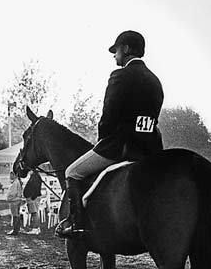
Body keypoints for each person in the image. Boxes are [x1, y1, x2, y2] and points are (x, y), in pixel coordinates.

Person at [57, 30, 164, 237]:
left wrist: (102, 140)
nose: (115, 55)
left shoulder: (120, 75)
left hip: (120, 146)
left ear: (125, 49)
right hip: (150, 147)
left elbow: (109, 115)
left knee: (72, 172)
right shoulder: (155, 80)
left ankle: (78, 224)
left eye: (116, 51)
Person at [23, 170, 43, 234]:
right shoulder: (35, 177)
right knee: (34, 213)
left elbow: (36, 188)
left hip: (33, 198)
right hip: (33, 197)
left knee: (34, 213)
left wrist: (32, 197)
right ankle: (35, 227)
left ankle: (35, 228)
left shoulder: (35, 177)